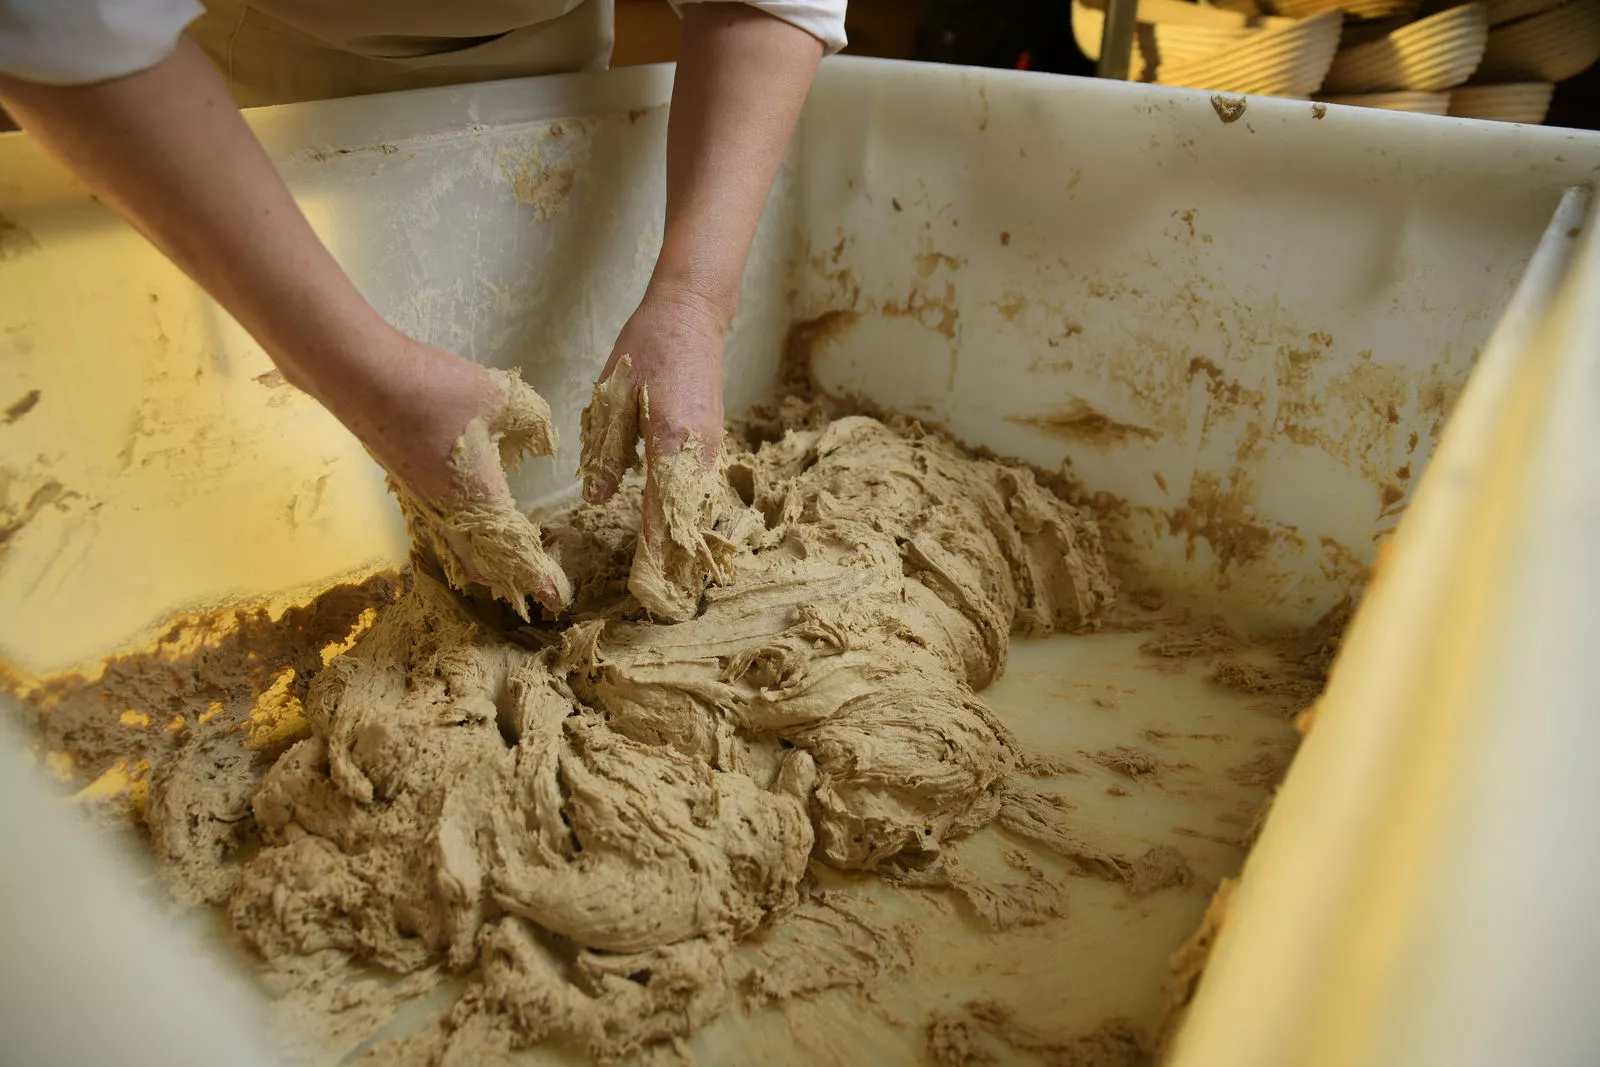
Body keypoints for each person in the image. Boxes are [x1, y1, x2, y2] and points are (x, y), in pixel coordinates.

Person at [0, 0, 846, 613]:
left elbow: (767, 4)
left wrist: (694, 300)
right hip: (219, 103)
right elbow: (60, 25)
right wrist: (358, 376)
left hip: (543, 50)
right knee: (292, 507)